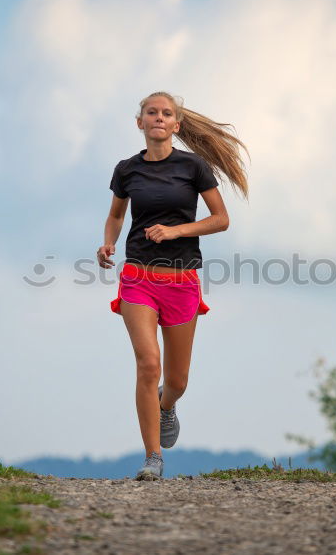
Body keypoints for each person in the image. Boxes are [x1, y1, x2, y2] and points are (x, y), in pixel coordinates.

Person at [96, 92, 249, 480]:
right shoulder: (126, 169)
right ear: (140, 122)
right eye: (152, 113)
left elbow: (221, 219)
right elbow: (116, 214)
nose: (159, 118)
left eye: (166, 114)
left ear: (176, 125)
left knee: (177, 380)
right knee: (149, 364)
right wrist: (108, 241)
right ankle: (154, 457)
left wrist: (177, 230)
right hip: (138, 278)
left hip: (182, 280)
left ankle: (168, 406)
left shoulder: (193, 167)